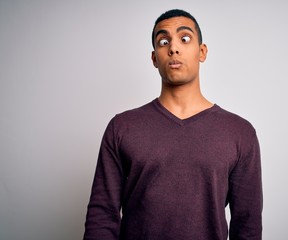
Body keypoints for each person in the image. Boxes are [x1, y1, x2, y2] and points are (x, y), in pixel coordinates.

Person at [83, 9, 262, 240]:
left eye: (184, 38)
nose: (173, 48)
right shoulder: (122, 128)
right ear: (154, 58)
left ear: (202, 52)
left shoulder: (240, 133)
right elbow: (102, 216)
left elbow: (247, 224)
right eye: (163, 41)